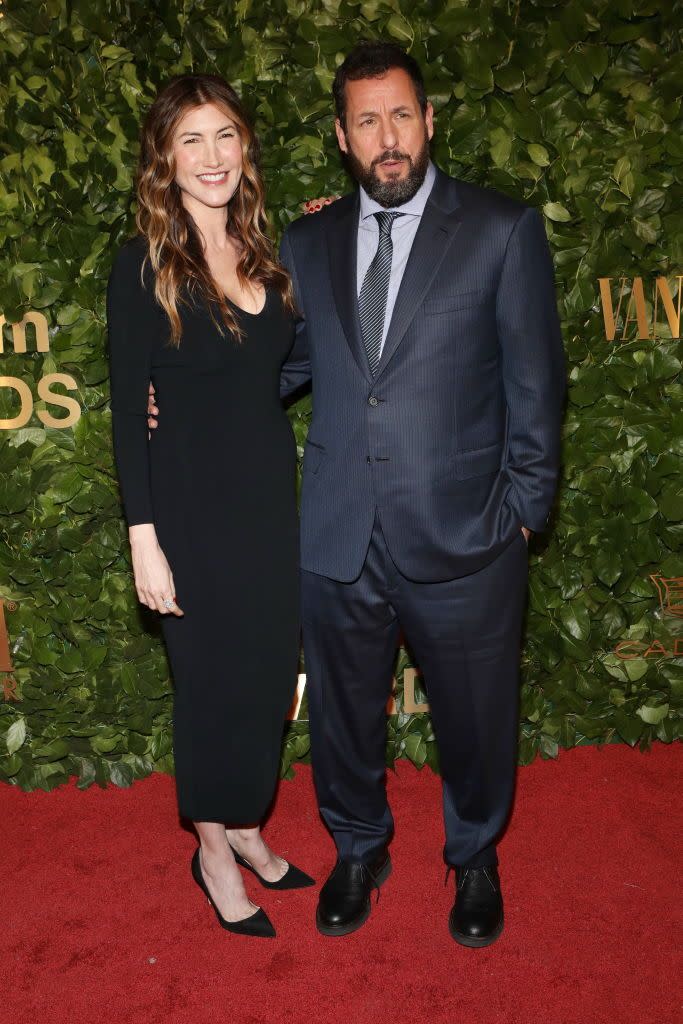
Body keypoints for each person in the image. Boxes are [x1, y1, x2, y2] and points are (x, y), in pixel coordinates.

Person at [150, 41, 566, 947]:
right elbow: (277, 364)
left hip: (465, 534)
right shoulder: (305, 239)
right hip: (337, 529)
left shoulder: (500, 229)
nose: (388, 138)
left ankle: (474, 859)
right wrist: (175, 387)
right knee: (341, 718)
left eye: (401, 116)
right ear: (342, 135)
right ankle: (357, 849)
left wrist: (523, 513)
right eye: (367, 120)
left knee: (475, 717)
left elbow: (538, 385)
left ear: (428, 121)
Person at [107, 73, 313, 940]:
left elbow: (287, 370)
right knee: (210, 687)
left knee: (266, 680)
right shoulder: (144, 265)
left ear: (244, 147)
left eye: (225, 135)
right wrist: (142, 540)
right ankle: (215, 853)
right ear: (165, 156)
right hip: (187, 513)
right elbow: (127, 408)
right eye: (191, 139)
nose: (212, 156)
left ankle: (248, 824)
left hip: (268, 502)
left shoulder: (270, 256)